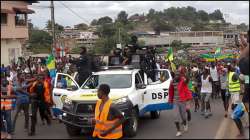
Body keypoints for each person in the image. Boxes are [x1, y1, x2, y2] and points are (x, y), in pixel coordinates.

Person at [169, 66, 192, 137]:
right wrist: (170, 100)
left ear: (180, 75)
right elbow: (171, 91)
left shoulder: (183, 81)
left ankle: (185, 123)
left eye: (178, 75)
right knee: (175, 116)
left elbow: (187, 80)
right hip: (175, 101)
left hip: (182, 101)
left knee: (183, 117)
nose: (176, 76)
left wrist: (185, 74)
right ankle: (178, 131)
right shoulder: (172, 82)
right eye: (175, 75)